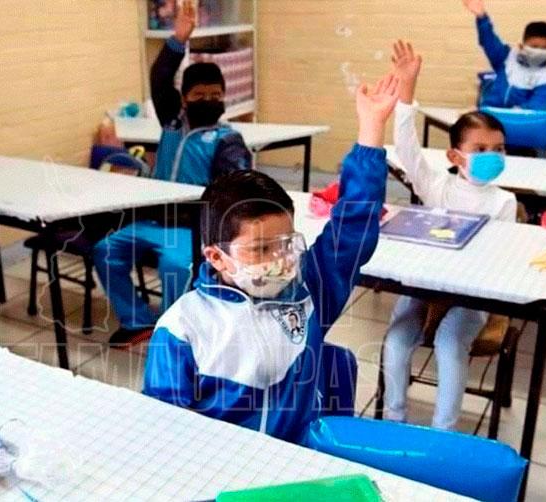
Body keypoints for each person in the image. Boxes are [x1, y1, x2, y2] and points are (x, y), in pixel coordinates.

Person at [142, 73, 401, 443]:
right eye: (261, 249)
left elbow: (352, 231)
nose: (280, 259)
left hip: (298, 457)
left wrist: (371, 131)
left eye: (286, 243)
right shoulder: (182, 329)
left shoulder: (309, 290)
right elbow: (165, 429)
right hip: (225, 465)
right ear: (216, 257)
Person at [94, 0, 251, 345]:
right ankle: (137, 320)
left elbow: (234, 193)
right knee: (105, 249)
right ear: (184, 99)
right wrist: (178, 39)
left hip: (189, 228)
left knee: (175, 266)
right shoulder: (172, 122)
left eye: (216, 95)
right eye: (199, 95)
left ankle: (173, 332)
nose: (208, 100)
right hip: (152, 219)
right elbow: (160, 77)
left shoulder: (227, 140)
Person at [382, 41, 517, 431]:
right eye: (481, 148)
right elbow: (406, 147)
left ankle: (444, 431)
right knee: (395, 341)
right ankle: (394, 419)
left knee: (448, 343)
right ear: (455, 156)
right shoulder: (436, 186)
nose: (492, 156)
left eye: (499, 149)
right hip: (425, 285)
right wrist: (407, 89)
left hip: (472, 295)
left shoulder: (503, 202)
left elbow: (497, 263)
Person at [462, 0, 546, 110]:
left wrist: (511, 113)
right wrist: (482, 17)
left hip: (517, 118)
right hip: (489, 113)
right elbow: (489, 41)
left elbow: (536, 107)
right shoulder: (506, 58)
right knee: (466, 115)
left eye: (544, 48)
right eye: (534, 47)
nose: (539, 51)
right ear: (521, 46)